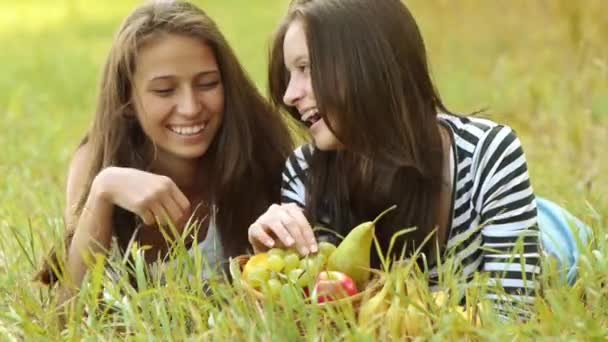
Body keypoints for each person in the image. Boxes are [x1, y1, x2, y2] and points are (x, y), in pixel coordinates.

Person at [248, 0, 541, 314]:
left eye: (305, 68)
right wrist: (270, 265)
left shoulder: (488, 153)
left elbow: (513, 315)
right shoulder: (304, 171)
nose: (289, 95)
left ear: (369, 63)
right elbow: (312, 322)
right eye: (289, 74)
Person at [34, 0, 293, 300]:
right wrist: (103, 190)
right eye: (164, 91)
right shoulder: (95, 160)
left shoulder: (256, 152)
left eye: (207, 84)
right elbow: (68, 318)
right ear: (127, 100)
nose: (191, 107)